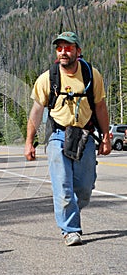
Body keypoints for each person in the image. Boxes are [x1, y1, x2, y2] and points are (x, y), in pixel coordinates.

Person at [24, 31, 111, 246]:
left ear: (78, 51)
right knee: (63, 186)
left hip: (85, 135)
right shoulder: (48, 78)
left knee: (84, 188)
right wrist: (29, 141)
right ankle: (70, 230)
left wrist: (106, 136)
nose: (64, 52)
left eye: (69, 47)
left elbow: (100, 106)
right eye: (60, 48)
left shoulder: (92, 75)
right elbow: (36, 111)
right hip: (58, 135)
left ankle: (71, 210)